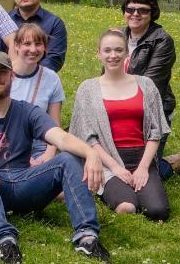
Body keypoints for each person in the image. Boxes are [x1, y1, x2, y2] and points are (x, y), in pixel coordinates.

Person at [0, 51, 111, 264]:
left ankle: (87, 237)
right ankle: (5, 240)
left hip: (21, 182)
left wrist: (91, 153)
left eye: (2, 71)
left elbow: (59, 136)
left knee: (68, 159)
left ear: (12, 77)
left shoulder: (27, 111)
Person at [69, 29, 170, 221]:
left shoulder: (146, 85)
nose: (113, 55)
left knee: (158, 212)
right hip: (106, 159)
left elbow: (155, 132)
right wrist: (115, 167)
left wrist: (142, 168)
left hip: (142, 157)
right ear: (98, 53)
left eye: (118, 50)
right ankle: (114, 189)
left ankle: (163, 171)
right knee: (127, 207)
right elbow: (88, 138)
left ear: (127, 54)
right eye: (107, 50)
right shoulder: (87, 89)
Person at [120, 0, 180, 177]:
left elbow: (150, 84)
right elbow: (106, 74)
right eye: (130, 9)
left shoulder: (162, 40)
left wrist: (114, 95)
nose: (135, 14)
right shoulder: (119, 36)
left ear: (152, 14)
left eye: (142, 10)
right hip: (120, 106)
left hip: (154, 109)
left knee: (149, 174)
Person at [0, 23, 64, 165]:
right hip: (2, 140)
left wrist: (49, 153)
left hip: (38, 142)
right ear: (16, 46)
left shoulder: (51, 78)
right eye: (27, 44)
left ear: (45, 48)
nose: (33, 49)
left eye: (38, 44)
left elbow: (54, 124)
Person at [8, 0, 67, 71]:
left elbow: (54, 59)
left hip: (41, 80)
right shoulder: (5, 20)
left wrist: (31, 75)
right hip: (8, 79)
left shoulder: (54, 23)